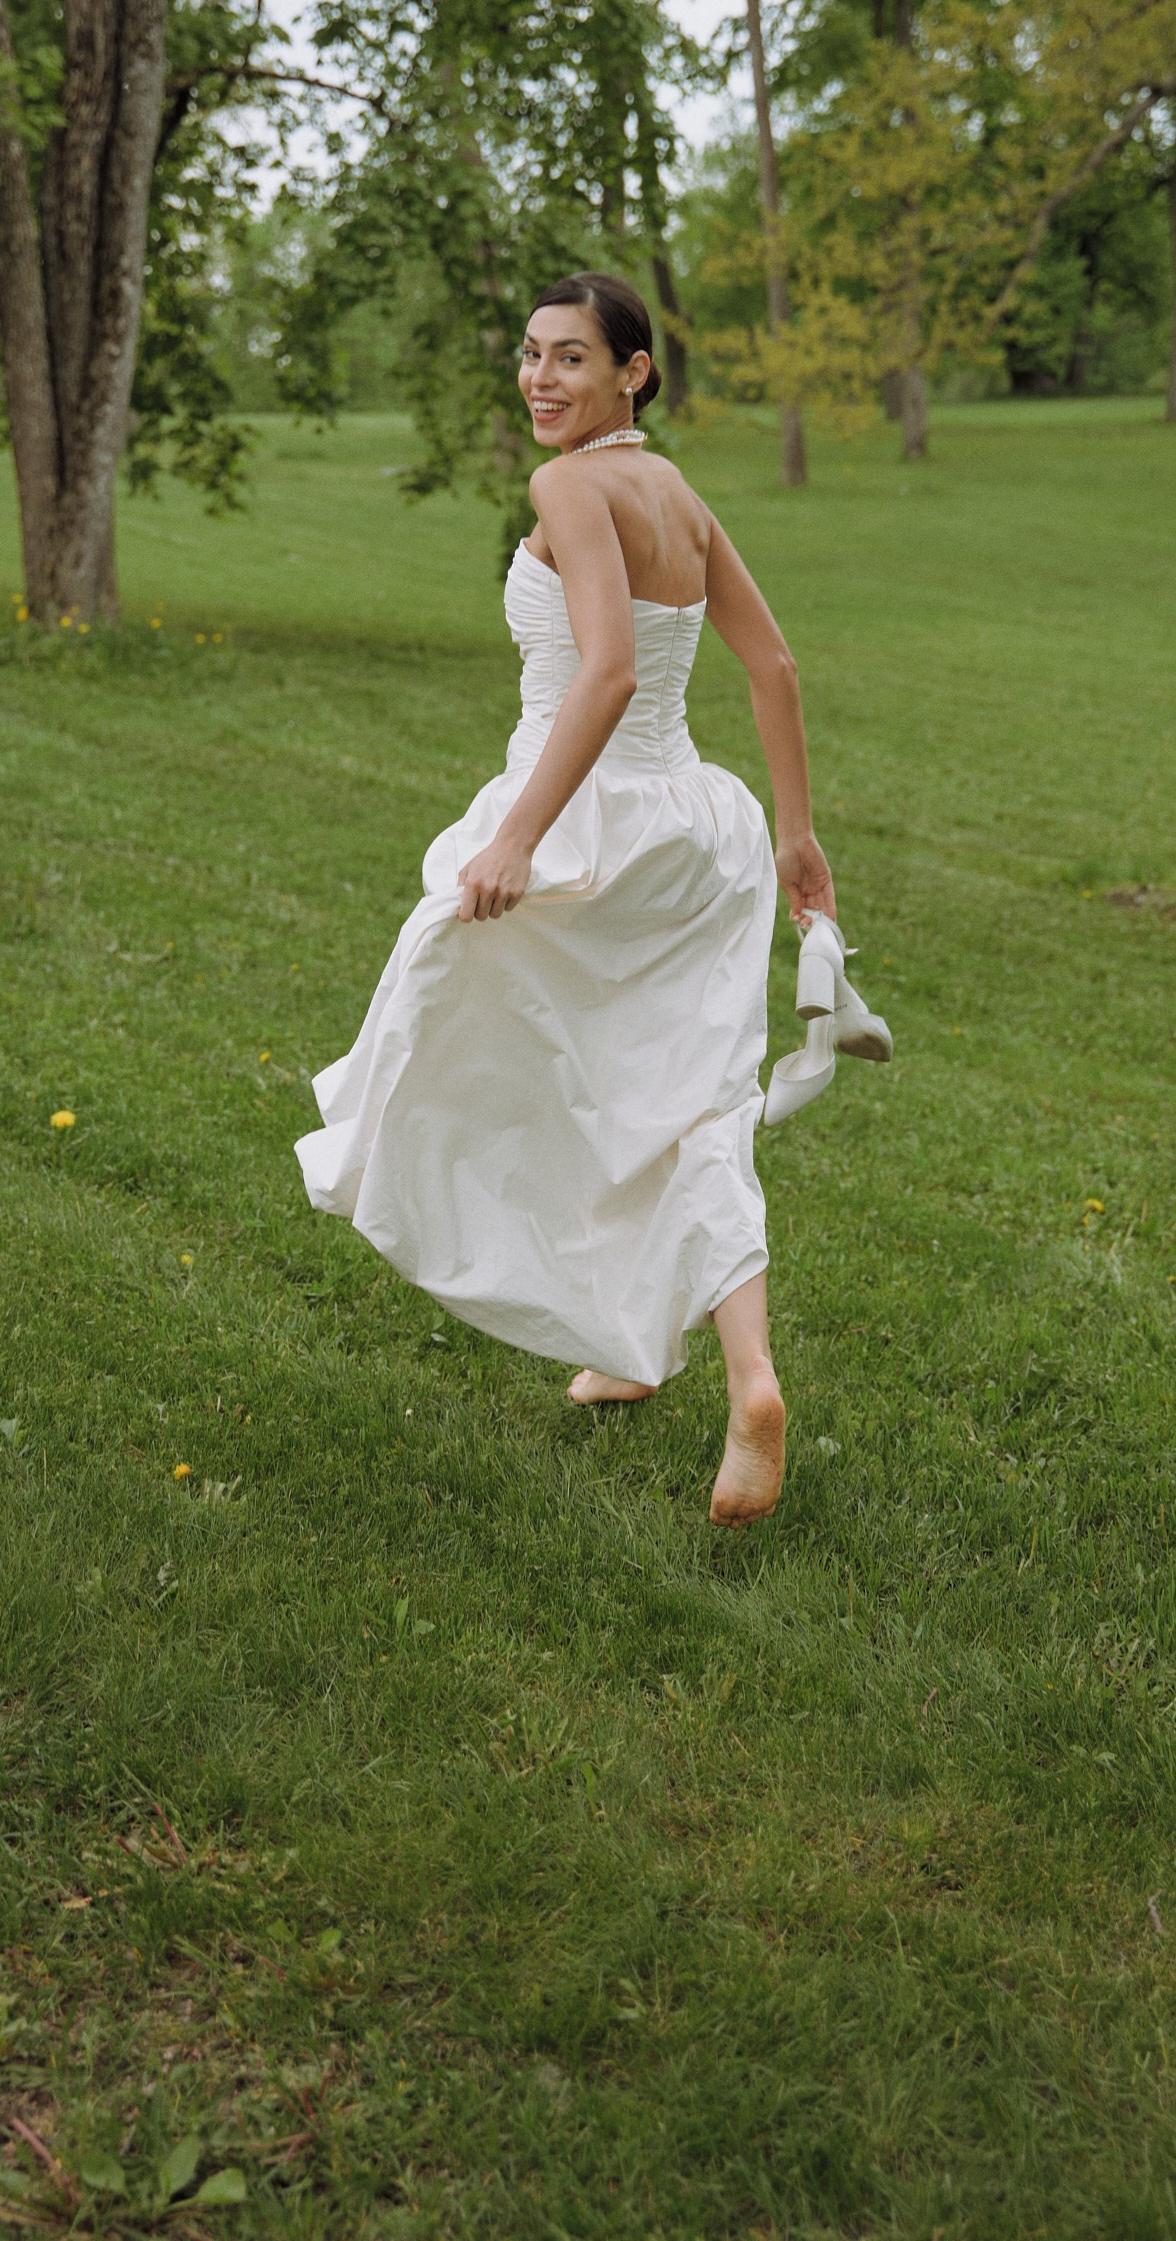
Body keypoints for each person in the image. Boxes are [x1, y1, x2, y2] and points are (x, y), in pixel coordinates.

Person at [295, 271, 834, 1524]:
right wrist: (796, 834)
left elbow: (605, 674)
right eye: (532, 354)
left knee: (467, 1042)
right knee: (688, 1098)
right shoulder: (677, 492)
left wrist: (517, 839)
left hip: (595, 824)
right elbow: (773, 664)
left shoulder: (570, 488)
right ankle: (719, 1371)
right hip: (698, 828)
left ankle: (633, 1328)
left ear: (633, 372)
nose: (541, 378)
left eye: (572, 358)